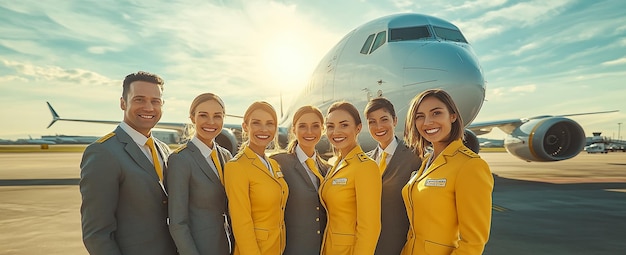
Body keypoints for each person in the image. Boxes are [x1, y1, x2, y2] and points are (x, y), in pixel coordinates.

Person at [79, 71, 177, 255]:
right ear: (123, 103)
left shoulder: (163, 150)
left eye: (155, 101)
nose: (149, 107)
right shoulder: (103, 152)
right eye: (139, 99)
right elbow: (96, 234)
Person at [401, 89, 494, 255]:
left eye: (436, 113)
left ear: (453, 116)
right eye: (419, 116)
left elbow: (473, 243)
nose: (427, 122)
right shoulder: (426, 163)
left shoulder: (470, 166)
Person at [166, 93, 233, 255]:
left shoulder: (226, 156)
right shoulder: (180, 159)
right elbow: (177, 223)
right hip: (200, 248)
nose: (211, 122)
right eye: (203, 115)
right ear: (192, 118)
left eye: (217, 116)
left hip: (229, 246)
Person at [224, 101, 289, 255]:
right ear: (245, 127)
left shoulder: (273, 164)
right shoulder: (236, 166)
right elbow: (241, 223)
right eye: (256, 123)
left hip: (277, 247)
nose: (264, 129)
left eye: (270, 124)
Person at [319, 101, 382, 255]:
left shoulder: (365, 167)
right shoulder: (336, 164)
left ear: (358, 128)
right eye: (330, 126)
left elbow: (370, 227)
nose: (336, 132)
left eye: (344, 125)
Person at [364, 97, 422, 255]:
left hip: (401, 244)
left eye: (384, 119)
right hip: (370, 245)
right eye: (372, 122)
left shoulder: (415, 156)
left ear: (395, 121)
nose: (379, 127)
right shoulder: (365, 161)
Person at [270, 106, 329, 255]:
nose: (309, 132)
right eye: (302, 126)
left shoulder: (328, 169)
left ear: (322, 129)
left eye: (315, 126)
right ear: (293, 130)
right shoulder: (278, 163)